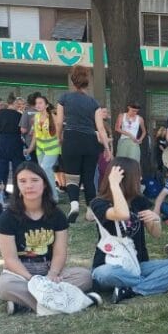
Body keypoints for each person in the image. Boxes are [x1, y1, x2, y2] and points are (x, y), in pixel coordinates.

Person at [0, 162, 100, 314]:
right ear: (17, 186)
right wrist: (32, 279)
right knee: (3, 287)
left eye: (34, 180)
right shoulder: (7, 217)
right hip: (21, 274)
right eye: (22, 181)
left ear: (44, 184)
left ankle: (25, 305)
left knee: (85, 277)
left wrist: (52, 274)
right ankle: (73, 302)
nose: (29, 185)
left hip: (49, 270)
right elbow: (10, 259)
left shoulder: (56, 215)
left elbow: (60, 253)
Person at [91, 157, 168, 303]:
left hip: (137, 265)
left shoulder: (138, 200)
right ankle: (152, 283)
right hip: (109, 266)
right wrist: (114, 185)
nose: (141, 178)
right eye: (138, 175)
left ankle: (131, 289)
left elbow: (156, 234)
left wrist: (155, 220)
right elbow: (122, 214)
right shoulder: (99, 203)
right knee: (104, 274)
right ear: (126, 179)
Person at [56, 65, 113, 223]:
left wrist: (59, 137)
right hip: (90, 141)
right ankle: (91, 211)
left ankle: (74, 205)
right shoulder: (93, 103)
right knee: (89, 177)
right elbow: (100, 128)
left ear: (73, 81)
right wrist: (107, 149)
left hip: (71, 138)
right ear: (87, 82)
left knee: (72, 176)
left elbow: (59, 122)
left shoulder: (64, 98)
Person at [24, 95, 60, 202]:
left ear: (46, 105)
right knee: (42, 171)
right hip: (40, 149)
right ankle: (47, 195)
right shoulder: (36, 117)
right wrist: (30, 148)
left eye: (40, 103)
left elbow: (59, 131)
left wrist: (60, 142)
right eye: (36, 103)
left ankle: (54, 197)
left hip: (52, 148)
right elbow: (35, 134)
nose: (38, 105)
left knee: (46, 168)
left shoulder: (52, 116)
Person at [0, 93, 25, 190]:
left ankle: (1, 190)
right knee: (17, 165)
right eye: (17, 103)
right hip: (15, 140)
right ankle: (17, 190)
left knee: (2, 166)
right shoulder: (19, 115)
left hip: (2, 140)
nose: (18, 106)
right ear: (14, 103)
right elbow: (22, 129)